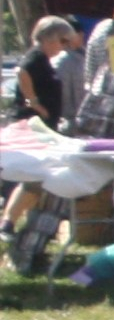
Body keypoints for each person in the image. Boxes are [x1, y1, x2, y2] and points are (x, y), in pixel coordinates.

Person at [4, 17, 79, 273]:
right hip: (30, 128)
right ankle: (8, 223)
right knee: (33, 179)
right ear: (49, 38)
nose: (65, 45)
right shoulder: (35, 57)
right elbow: (22, 71)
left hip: (41, 128)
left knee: (34, 181)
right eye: (62, 40)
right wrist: (34, 102)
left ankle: (9, 224)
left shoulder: (45, 60)